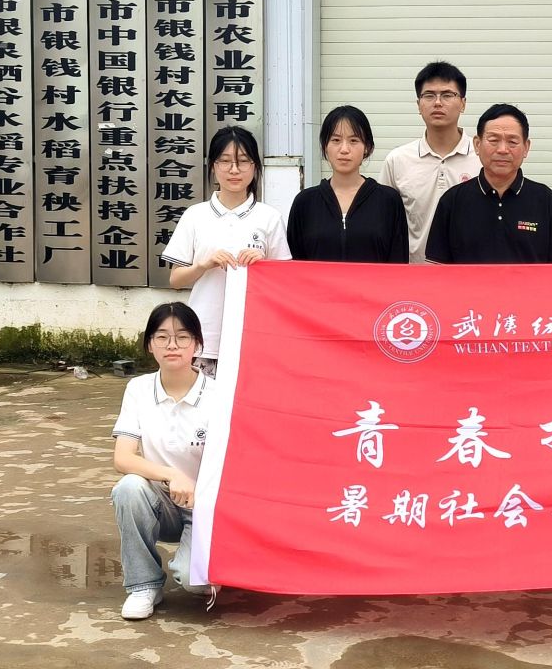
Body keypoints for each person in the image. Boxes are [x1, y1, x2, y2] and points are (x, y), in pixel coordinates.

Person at [110, 302, 215, 620]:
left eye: (182, 337)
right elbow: (123, 457)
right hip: (163, 503)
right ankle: (144, 585)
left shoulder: (219, 395)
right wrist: (171, 475)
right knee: (129, 488)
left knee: (195, 582)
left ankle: (213, 563)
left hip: (207, 509)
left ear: (197, 344)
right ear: (149, 345)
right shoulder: (138, 389)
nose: (172, 345)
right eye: (162, 337)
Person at [162, 126, 290, 375]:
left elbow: (285, 283)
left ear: (255, 166)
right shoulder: (195, 216)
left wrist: (264, 265)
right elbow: (175, 280)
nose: (234, 170)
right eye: (225, 161)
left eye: (243, 161)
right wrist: (203, 265)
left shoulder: (269, 217)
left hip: (254, 335)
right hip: (205, 337)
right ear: (213, 166)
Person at [425, 103, 552, 264]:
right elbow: (436, 270)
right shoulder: (452, 201)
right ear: (477, 144)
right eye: (493, 140)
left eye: (512, 142)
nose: (502, 149)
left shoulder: (546, 201)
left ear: (526, 147)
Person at [379, 61, 480, 263]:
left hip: (469, 273)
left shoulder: (481, 157)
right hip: (415, 274)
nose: (438, 103)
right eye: (429, 95)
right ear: (418, 105)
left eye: (447, 95)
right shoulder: (397, 160)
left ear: (463, 103)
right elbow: (384, 223)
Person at [288, 105, 410, 263]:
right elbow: (294, 266)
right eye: (336, 140)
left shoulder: (388, 200)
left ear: (367, 147)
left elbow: (398, 264)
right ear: (325, 147)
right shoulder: (305, 202)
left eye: (354, 140)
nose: (344, 149)